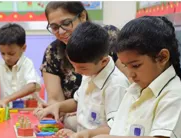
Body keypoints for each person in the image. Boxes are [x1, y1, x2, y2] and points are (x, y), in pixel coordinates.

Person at [95, 16, 181, 138]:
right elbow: (119, 131)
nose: (130, 74)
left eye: (136, 65)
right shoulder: (135, 89)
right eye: (125, 66)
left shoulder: (176, 97)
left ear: (162, 57)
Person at [35, 1, 122, 131]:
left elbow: (116, 126)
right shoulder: (87, 75)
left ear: (82, 16)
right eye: (54, 27)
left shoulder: (115, 83)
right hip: (76, 122)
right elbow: (69, 100)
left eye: (66, 23)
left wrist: (84, 131)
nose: (60, 31)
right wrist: (58, 107)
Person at [0, 23, 43, 107]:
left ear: (23, 48)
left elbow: (32, 86)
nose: (6, 58)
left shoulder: (27, 64)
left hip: (27, 111)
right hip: (8, 112)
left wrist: (6, 99)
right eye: (2, 53)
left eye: (11, 53)